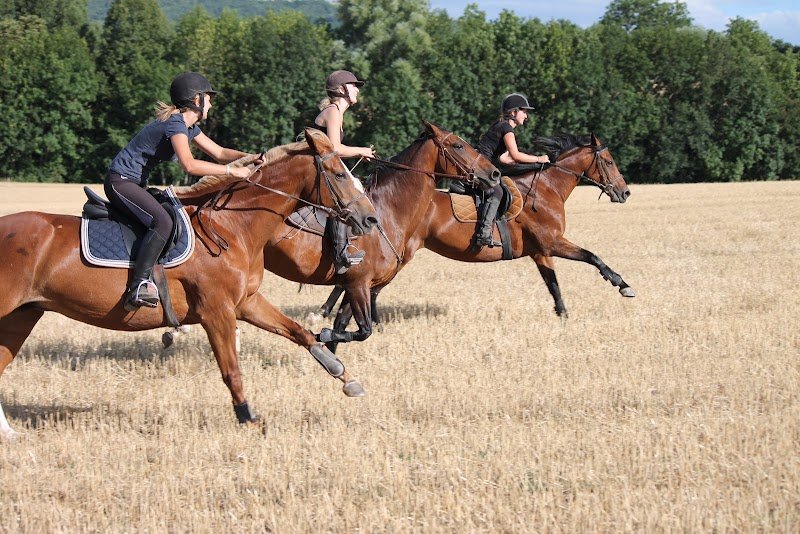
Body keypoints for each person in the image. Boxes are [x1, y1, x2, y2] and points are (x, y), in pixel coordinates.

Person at [105, 72, 257, 310]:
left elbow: (219, 152)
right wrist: (231, 171)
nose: (211, 103)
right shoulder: (176, 123)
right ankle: (138, 286)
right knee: (162, 222)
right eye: (209, 98)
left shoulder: (189, 127)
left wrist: (251, 158)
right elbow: (189, 164)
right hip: (121, 182)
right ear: (197, 100)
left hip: (134, 183)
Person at [309, 70, 376, 274]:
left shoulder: (336, 112)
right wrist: (360, 150)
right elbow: (335, 148)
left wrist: (358, 153)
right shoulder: (333, 111)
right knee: (345, 196)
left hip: (322, 166)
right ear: (342, 89)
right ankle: (340, 255)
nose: (357, 89)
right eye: (353, 85)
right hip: (317, 169)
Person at [473, 93, 550, 248]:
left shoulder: (501, 126)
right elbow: (515, 155)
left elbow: (502, 158)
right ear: (514, 112)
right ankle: (484, 233)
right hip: (479, 167)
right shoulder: (507, 128)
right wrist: (539, 159)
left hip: (481, 164)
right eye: (524, 111)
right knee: (498, 192)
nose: (526, 116)